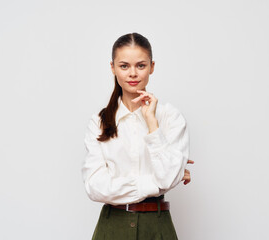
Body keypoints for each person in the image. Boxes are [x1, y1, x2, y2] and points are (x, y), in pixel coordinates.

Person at [81, 32, 194, 240]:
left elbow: (167, 178)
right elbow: (95, 187)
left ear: (152, 67)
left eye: (140, 65)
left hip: (157, 227)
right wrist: (155, 183)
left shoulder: (170, 117)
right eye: (124, 66)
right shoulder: (99, 122)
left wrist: (152, 124)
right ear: (113, 68)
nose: (132, 73)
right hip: (112, 227)